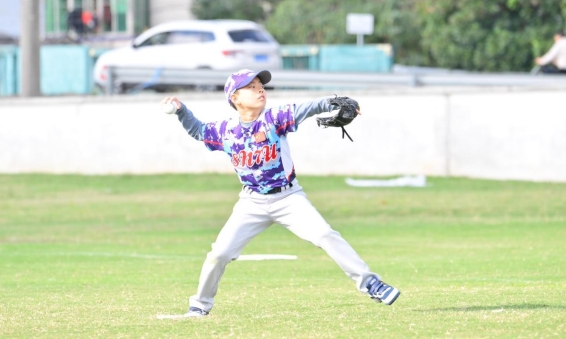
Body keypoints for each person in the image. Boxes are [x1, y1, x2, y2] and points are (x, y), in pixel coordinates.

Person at [161, 69, 400, 318]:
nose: (260, 89)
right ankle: (199, 306)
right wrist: (180, 110)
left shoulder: (273, 118)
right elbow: (198, 131)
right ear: (234, 97)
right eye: (251, 87)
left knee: (325, 234)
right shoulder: (225, 131)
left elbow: (305, 108)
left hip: (288, 198)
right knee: (219, 253)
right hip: (251, 203)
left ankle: (371, 283)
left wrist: (330, 102)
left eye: (260, 85)